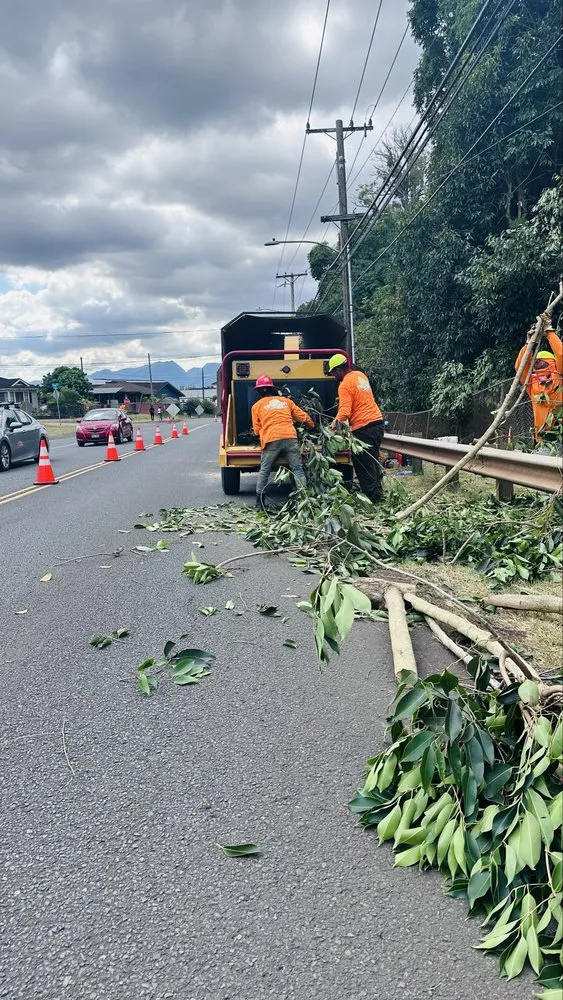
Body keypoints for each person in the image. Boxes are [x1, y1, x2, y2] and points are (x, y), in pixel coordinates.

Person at [328, 353, 385, 503]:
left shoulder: (344, 385)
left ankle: (372, 499)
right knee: (373, 461)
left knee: (363, 465)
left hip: (364, 427)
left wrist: (332, 427)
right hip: (377, 423)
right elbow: (359, 398)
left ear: (339, 370)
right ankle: (378, 493)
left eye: (333, 372)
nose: (333, 376)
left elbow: (344, 412)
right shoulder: (360, 375)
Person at [251, 375, 314, 507]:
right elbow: (302, 417)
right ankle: (304, 501)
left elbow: (257, 430)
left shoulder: (256, 406)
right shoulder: (286, 402)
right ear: (272, 389)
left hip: (271, 439)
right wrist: (312, 425)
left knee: (265, 470)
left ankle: (260, 503)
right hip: (290, 438)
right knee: (297, 469)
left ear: (258, 391)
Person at [515, 317, 562, 445]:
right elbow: (520, 367)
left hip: (559, 434)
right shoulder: (532, 383)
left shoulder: (559, 377)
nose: (537, 365)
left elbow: (561, 354)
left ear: (552, 363)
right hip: (542, 438)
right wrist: (528, 344)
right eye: (535, 363)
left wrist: (549, 332)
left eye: (541, 362)